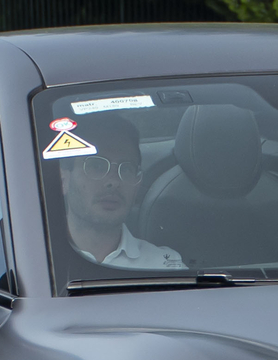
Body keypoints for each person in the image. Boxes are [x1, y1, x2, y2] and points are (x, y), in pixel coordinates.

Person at [57, 114, 185, 269]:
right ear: (63, 179)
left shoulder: (164, 266)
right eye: (96, 166)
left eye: (126, 169)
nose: (114, 182)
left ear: (138, 184)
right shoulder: (34, 257)